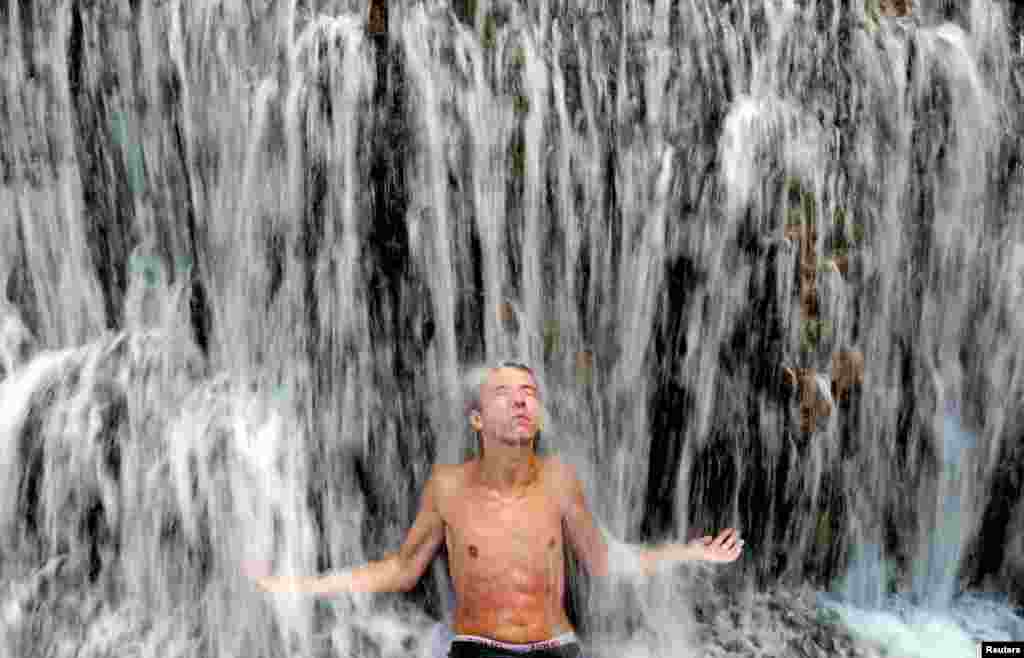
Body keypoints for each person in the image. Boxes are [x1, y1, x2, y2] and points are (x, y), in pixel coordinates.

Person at [246, 361, 744, 658]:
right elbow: (400, 569)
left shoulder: (559, 481)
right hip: (477, 649)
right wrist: (298, 585)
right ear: (477, 419)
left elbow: (603, 559)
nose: (521, 403)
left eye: (529, 394)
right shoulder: (447, 486)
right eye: (503, 394)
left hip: (555, 647)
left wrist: (690, 553)